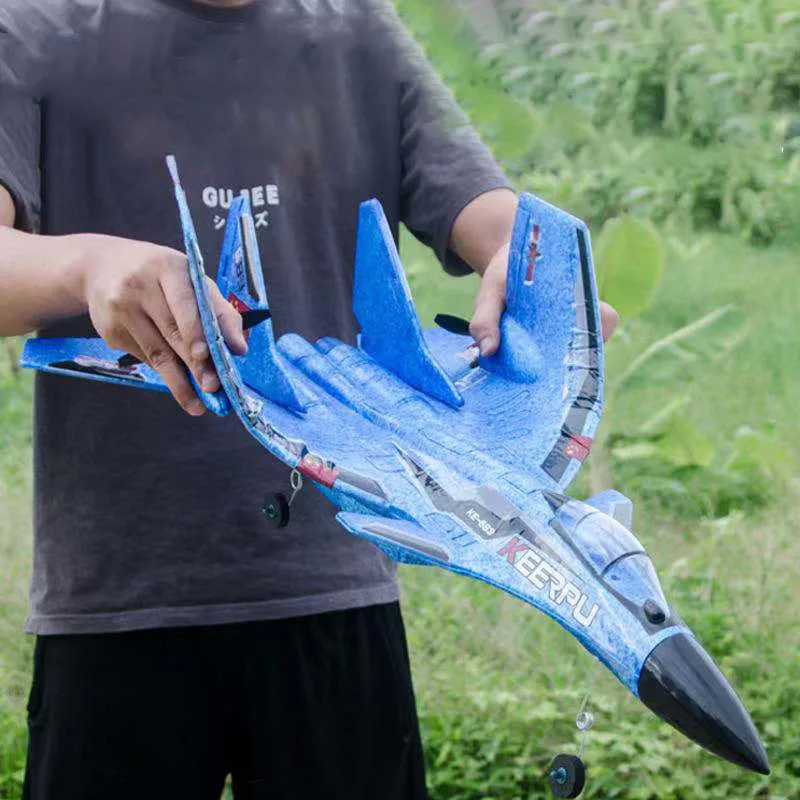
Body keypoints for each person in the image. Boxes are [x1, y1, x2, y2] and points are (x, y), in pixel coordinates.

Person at [0, 1, 619, 798]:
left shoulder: (354, 30)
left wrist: (526, 270)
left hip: (334, 582)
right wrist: (88, 267)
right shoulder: (35, 27)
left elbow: (489, 215)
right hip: (118, 602)